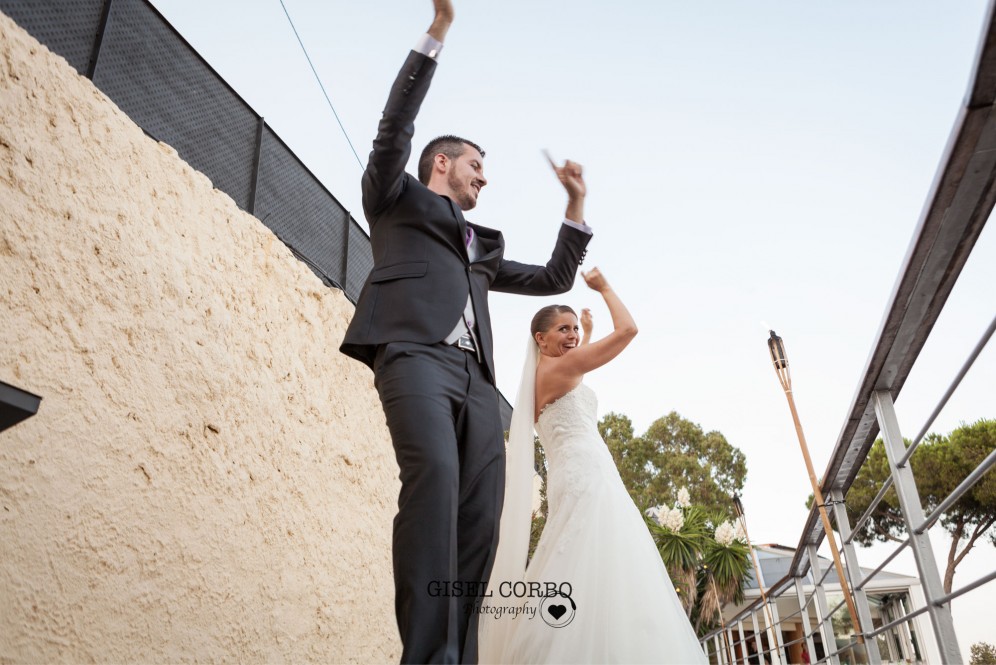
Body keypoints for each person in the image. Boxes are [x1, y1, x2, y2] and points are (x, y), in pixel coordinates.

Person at [338, 1, 592, 662]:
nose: (484, 174)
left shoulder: (481, 245)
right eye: (475, 163)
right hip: (413, 354)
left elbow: (554, 278)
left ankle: (462, 653)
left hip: (478, 382)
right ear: (441, 165)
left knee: (481, 514)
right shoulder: (394, 197)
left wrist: (574, 205)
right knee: (435, 481)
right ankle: (428, 655)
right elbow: (395, 123)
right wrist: (438, 32)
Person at [478, 267, 707, 664]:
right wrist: (604, 288)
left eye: (574, 331)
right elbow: (627, 331)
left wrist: (584, 327)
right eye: (563, 330)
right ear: (540, 339)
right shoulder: (561, 369)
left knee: (582, 560)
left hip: (574, 473)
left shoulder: (546, 373)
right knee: (606, 557)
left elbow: (580, 367)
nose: (572, 337)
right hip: (587, 474)